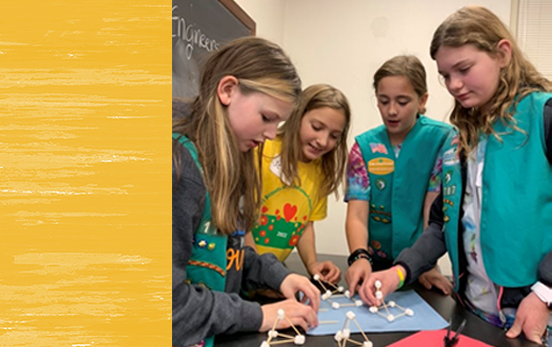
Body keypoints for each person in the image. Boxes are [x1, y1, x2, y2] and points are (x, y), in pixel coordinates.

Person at [359, 6, 552, 345]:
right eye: (445, 75)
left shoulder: (544, 116)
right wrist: (400, 271)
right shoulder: (464, 136)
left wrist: (545, 292)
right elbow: (443, 222)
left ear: (502, 54)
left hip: (534, 312)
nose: (454, 85)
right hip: (473, 310)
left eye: (463, 69)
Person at [172, 37, 321, 347]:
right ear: (227, 90)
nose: (270, 134)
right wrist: (260, 316)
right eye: (267, 118)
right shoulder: (179, 168)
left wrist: (279, 276)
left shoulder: (228, 162)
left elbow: (230, 253)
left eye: (278, 123)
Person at [344, 55, 454, 297]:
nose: (391, 111)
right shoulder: (364, 147)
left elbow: (432, 211)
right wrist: (359, 257)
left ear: (422, 100)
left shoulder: (443, 140)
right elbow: (357, 215)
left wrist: (426, 264)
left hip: (419, 266)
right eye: (384, 101)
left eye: (402, 102)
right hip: (373, 264)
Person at [246, 84, 351, 285]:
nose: (322, 141)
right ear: (297, 116)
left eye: (334, 136)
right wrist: (258, 273)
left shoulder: (320, 171)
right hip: (244, 273)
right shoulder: (261, 150)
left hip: (271, 277)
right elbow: (241, 221)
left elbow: (304, 225)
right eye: (317, 127)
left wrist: (312, 265)